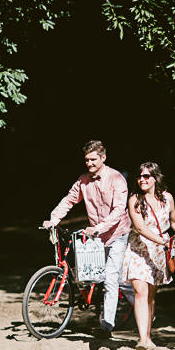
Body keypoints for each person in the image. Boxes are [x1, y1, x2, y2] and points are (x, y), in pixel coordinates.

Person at [43, 140, 134, 338]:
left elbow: (119, 210)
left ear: (103, 158)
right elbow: (69, 199)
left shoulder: (116, 178)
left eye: (93, 159)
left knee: (111, 278)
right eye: (86, 160)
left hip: (117, 233)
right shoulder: (83, 180)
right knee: (99, 276)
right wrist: (53, 219)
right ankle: (138, 302)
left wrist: (99, 228)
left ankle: (107, 326)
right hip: (96, 236)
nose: (89, 163)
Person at [122, 162, 175, 350]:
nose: (142, 180)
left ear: (155, 178)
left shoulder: (167, 198)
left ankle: (148, 336)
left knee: (151, 296)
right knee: (140, 290)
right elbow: (140, 228)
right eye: (140, 176)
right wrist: (162, 241)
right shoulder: (134, 200)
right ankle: (141, 339)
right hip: (139, 249)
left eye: (147, 176)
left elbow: (174, 222)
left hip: (159, 253)